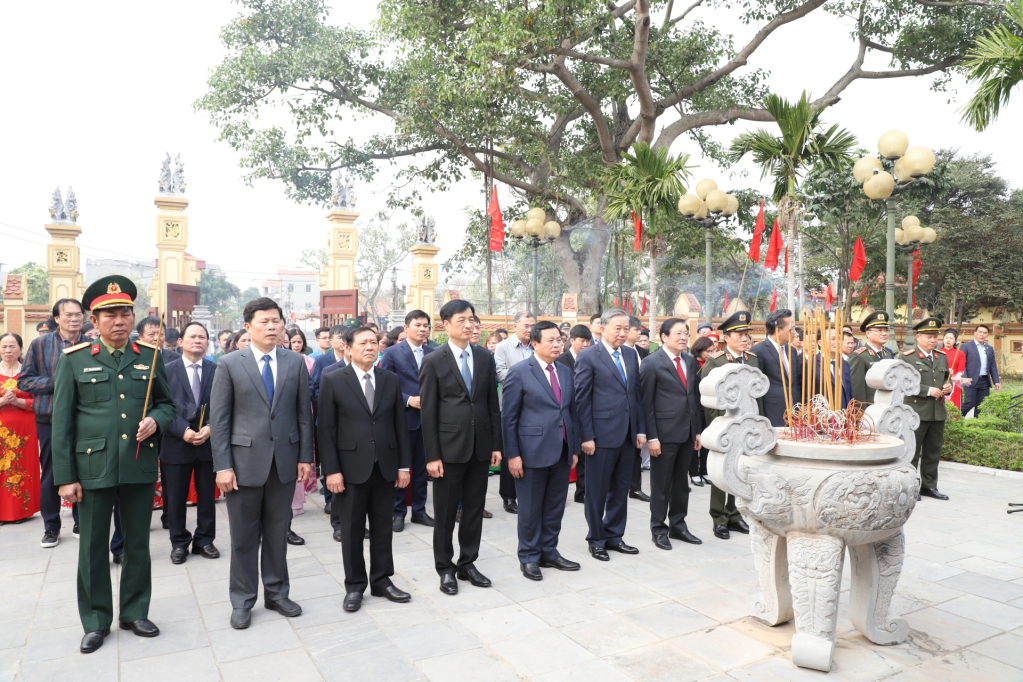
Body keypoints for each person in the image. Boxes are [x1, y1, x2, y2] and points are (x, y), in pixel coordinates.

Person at [51, 276, 177, 653]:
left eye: (125, 313)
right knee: (92, 546)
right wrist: (65, 478)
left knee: (137, 543)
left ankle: (135, 611)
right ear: (95, 320)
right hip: (92, 469)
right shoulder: (74, 361)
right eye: (110, 315)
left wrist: (156, 419)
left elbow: (167, 404)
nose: (119, 320)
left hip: (137, 464)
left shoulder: (150, 356)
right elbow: (62, 423)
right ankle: (95, 620)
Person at [209, 297, 315, 630]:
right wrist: (222, 466)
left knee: (276, 533)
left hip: (284, 463)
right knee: (243, 537)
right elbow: (220, 419)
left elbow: (303, 415)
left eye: (276, 321)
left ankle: (277, 593)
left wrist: (305, 457)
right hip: (242, 466)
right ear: (248, 326)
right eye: (264, 322)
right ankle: (242, 600)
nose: (272, 327)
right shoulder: (229, 363)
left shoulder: (295, 362)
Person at [318, 326, 412, 611]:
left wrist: (403, 466)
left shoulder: (390, 379)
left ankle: (382, 581)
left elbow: (399, 426)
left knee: (383, 528)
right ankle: (355, 586)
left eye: (374, 342)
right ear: (348, 348)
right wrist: (331, 471)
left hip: (385, 467)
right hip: (349, 470)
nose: (370, 347)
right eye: (363, 343)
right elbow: (325, 429)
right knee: (352, 530)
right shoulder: (333, 380)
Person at [420, 299, 502, 595]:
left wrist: (495, 444)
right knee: (444, 515)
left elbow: (491, 404)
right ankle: (445, 568)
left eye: (472, 319)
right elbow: (427, 411)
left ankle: (468, 563)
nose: (469, 325)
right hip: (448, 450)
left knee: (473, 510)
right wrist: (432, 456)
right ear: (445, 325)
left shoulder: (484, 357)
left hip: (480, 448)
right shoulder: (433, 360)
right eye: (461, 320)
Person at [502, 321, 581, 581]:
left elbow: (570, 412)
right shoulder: (520, 372)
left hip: (562, 450)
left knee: (555, 506)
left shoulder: (565, 371)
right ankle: (528, 556)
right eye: (551, 340)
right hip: (530, 452)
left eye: (560, 339)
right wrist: (513, 455)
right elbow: (509, 418)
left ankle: (549, 551)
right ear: (535, 343)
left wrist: (574, 448)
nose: (558, 344)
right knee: (530, 509)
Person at [574, 308, 646, 562]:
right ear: (602, 328)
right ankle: (596, 539)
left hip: (627, 434)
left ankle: (614, 535)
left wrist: (640, 429)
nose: (622, 332)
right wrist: (586, 436)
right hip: (600, 436)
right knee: (596, 491)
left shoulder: (629, 353)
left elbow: (635, 395)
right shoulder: (588, 357)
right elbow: (581, 400)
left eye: (626, 328)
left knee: (620, 489)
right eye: (617, 328)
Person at [19, 297, 86, 548]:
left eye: (78, 314)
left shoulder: (91, 345)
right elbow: (24, 381)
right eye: (68, 314)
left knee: (83, 470)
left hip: (83, 418)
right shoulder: (40, 344)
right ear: (57, 319)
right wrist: (57, 384)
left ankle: (81, 520)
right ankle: (51, 526)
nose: (74, 318)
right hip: (49, 418)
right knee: (51, 471)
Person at [640, 319, 703, 551]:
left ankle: (679, 524)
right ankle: (658, 528)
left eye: (686, 333)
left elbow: (693, 398)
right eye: (678, 333)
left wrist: (697, 431)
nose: (683, 337)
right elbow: (646, 404)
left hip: (687, 432)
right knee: (661, 485)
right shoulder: (651, 363)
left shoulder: (689, 359)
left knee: (681, 484)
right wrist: (652, 437)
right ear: (664, 337)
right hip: (663, 435)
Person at [162, 322, 219, 564]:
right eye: (192, 336)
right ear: (181, 342)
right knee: (175, 498)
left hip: (208, 443)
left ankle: (205, 540)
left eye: (202, 337)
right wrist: (183, 430)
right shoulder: (165, 370)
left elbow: (225, 405)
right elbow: (161, 406)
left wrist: (210, 428)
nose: (198, 340)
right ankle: (179, 542)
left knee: (207, 496)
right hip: (176, 442)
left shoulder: (217, 370)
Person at [700, 311, 758, 540]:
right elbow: (708, 399)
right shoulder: (716, 362)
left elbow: (756, 395)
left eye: (747, 335)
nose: (745, 339)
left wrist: (756, 421)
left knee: (739, 470)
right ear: (727, 338)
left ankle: (734, 515)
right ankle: (719, 518)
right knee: (720, 470)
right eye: (740, 335)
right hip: (723, 426)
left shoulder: (752, 360)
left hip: (746, 426)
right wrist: (717, 426)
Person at [378, 310, 436, 533]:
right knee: (401, 467)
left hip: (429, 421)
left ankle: (419, 511)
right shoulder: (392, 353)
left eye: (426, 325)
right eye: (417, 325)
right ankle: (398, 512)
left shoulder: (434, 353)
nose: (422, 329)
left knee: (422, 468)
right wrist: (408, 400)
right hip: (403, 419)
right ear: (406, 327)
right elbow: (383, 385)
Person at [899, 317, 952, 501]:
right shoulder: (907, 357)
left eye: (935, 336)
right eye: (928, 336)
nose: (932, 340)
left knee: (933, 452)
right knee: (912, 452)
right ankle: (911, 486)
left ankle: (929, 486)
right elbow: (903, 383)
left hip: (937, 412)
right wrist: (928, 390)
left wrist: (949, 387)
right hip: (916, 412)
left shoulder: (941, 357)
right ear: (918, 336)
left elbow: (946, 378)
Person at [494, 311, 538, 515]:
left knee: (531, 451)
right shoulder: (503, 347)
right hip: (511, 406)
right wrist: (527, 381)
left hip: (535, 407)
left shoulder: (538, 345)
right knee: (510, 450)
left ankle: (530, 493)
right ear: (515, 326)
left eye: (532, 326)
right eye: (526, 325)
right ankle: (509, 496)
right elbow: (500, 372)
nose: (530, 330)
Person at [0, 333, 39, 525]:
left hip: (25, 430)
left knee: (22, 469)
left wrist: (18, 401)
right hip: (1, 430)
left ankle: (21, 511)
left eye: (12, 346)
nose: (8, 350)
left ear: (21, 349)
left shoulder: (28, 372)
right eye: (4, 346)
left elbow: (39, 400)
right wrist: (3, 401)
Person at [751, 309, 802, 428]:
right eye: (792, 328)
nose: (795, 332)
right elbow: (756, 389)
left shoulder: (792, 350)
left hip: (795, 411)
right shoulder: (758, 351)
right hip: (772, 413)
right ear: (779, 330)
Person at [557, 325, 591, 503]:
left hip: (586, 412)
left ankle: (583, 491)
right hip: (568, 412)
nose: (585, 344)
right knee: (570, 453)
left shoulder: (592, 358)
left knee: (586, 452)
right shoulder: (562, 360)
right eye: (582, 341)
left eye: (588, 341)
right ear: (572, 341)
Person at [622, 316, 651, 503]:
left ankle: (635, 488)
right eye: (635, 329)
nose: (639, 333)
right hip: (620, 412)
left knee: (636, 452)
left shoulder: (641, 352)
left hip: (640, 407)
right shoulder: (618, 352)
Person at [847, 311, 894, 406]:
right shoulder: (859, 356)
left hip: (887, 407)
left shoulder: (888, 354)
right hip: (870, 410)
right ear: (868, 333)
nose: (884, 333)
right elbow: (857, 389)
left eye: (886, 330)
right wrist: (861, 414)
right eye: (879, 330)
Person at [687, 336, 715, 488]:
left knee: (707, 441)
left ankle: (705, 470)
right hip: (695, 407)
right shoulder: (691, 363)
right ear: (699, 349)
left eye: (712, 351)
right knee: (694, 442)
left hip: (708, 408)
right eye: (708, 351)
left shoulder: (712, 364)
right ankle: (694, 473)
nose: (710, 354)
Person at [961, 323, 1001, 417]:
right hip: (970, 380)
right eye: (980, 332)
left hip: (984, 381)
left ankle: (977, 426)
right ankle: (955, 421)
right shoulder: (966, 346)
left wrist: (996, 381)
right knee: (969, 403)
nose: (982, 334)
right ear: (975, 333)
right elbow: (962, 364)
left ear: (988, 335)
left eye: (985, 333)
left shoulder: (989, 348)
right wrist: (965, 378)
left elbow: (992, 366)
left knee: (981, 406)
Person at [310, 324, 347, 404]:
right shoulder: (321, 360)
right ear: (331, 341)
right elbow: (315, 386)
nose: (343, 341)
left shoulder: (354, 360)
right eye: (339, 337)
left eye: (345, 338)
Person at [942, 329, 966, 411]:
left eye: (951, 338)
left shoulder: (960, 353)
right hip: (941, 381)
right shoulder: (937, 352)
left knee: (954, 404)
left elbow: (961, 369)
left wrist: (958, 375)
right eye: (946, 338)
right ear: (943, 339)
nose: (948, 340)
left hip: (955, 382)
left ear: (955, 341)